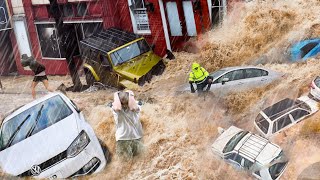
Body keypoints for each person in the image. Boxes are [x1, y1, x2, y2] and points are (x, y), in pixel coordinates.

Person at [111, 90, 143, 160]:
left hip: (136, 138)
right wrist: (130, 94)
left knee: (138, 161)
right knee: (127, 163)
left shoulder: (136, 104)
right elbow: (118, 108)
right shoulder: (116, 107)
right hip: (123, 140)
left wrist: (117, 95)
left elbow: (133, 108)